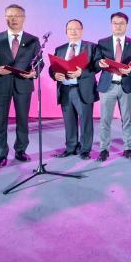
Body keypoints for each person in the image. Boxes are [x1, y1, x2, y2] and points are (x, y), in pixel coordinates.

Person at [0, 4, 40, 167]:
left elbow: (39, 62)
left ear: (23, 18)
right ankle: (1, 154)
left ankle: (20, 150)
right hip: (1, 84)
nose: (13, 19)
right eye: (10, 16)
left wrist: (34, 72)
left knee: (23, 120)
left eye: (17, 16)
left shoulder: (33, 40)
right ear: (5, 18)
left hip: (23, 85)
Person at [49, 19, 99, 160]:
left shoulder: (91, 47)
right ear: (66, 32)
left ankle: (85, 149)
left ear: (82, 31)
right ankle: (71, 147)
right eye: (70, 29)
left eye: (76, 28)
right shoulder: (60, 49)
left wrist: (81, 73)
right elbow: (52, 68)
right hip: (65, 89)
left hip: (82, 89)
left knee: (85, 121)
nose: (73, 31)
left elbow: (96, 67)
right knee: (69, 121)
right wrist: (55, 75)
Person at [94, 12, 131, 161]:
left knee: (127, 119)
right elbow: (96, 61)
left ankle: (128, 148)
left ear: (127, 25)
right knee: (105, 120)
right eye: (115, 23)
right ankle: (104, 149)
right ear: (111, 24)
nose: (118, 26)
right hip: (108, 86)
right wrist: (100, 63)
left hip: (126, 84)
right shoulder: (102, 42)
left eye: (121, 23)